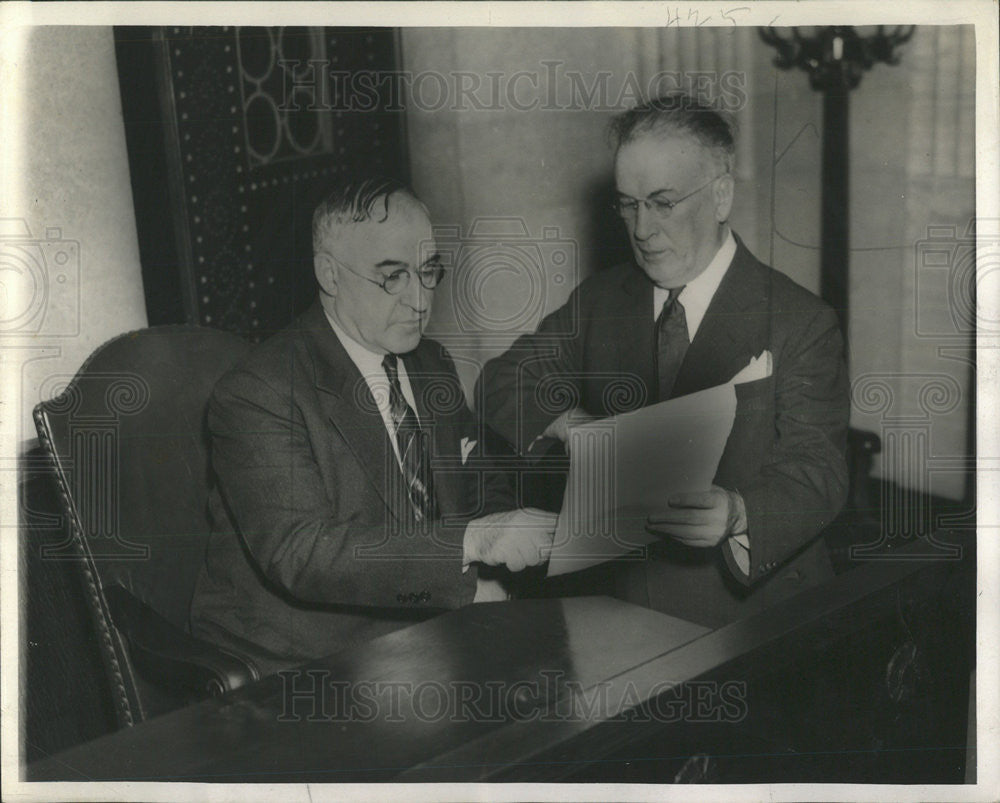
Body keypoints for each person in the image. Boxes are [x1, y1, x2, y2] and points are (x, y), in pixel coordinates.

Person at [477, 94, 850, 628]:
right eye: (627, 205)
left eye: (663, 202)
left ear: (721, 196)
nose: (642, 229)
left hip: (752, 618)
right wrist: (573, 424)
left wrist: (740, 512)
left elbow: (818, 472)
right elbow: (500, 380)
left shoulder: (799, 320)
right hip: (616, 614)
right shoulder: (603, 300)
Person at [190, 177, 556, 676]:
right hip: (303, 660)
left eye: (428, 272)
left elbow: (480, 487)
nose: (420, 300)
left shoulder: (430, 365)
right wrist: (473, 547)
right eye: (393, 276)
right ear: (330, 275)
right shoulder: (261, 391)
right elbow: (303, 553)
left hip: (423, 634)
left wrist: (492, 573)